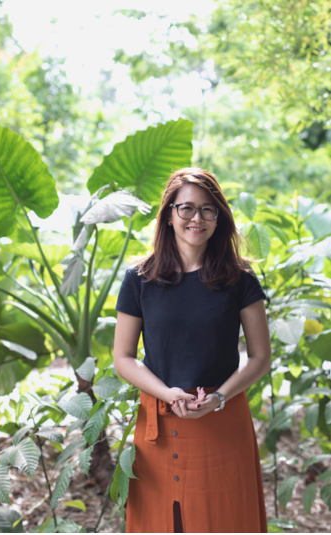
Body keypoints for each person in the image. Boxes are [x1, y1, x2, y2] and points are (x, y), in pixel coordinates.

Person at [113, 168, 271, 532]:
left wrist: (218, 398)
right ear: (169, 215)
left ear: (219, 218)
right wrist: (167, 392)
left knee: (227, 519)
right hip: (160, 421)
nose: (196, 218)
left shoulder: (241, 279)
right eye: (186, 208)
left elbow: (260, 356)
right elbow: (123, 357)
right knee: (162, 522)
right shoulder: (139, 279)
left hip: (222, 419)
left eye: (207, 210)